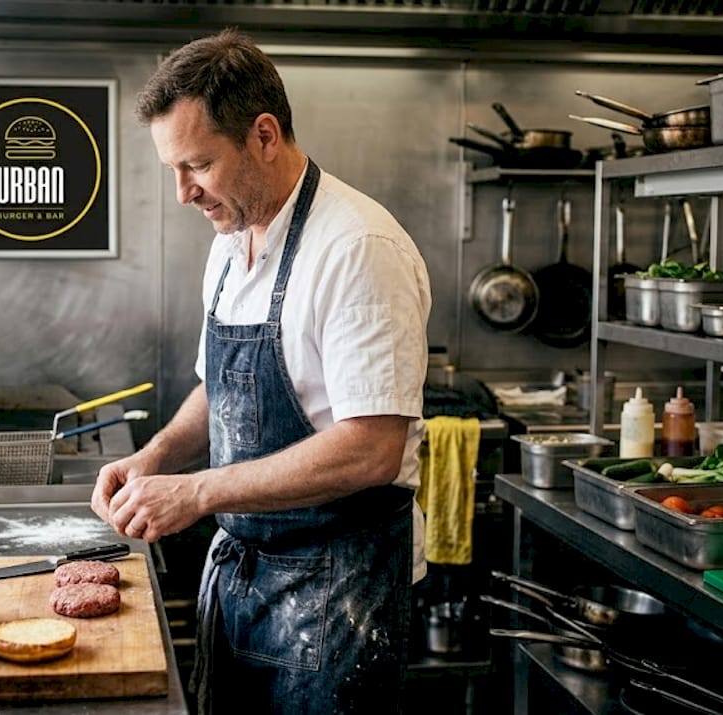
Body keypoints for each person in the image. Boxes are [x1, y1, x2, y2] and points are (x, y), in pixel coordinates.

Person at [90, 28, 431, 715]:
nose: (184, 192)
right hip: (244, 576)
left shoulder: (357, 247)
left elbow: (372, 446)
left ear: (265, 136)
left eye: (198, 165)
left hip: (341, 593)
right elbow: (219, 388)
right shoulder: (230, 238)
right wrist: (156, 456)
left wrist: (196, 494)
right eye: (172, 169)